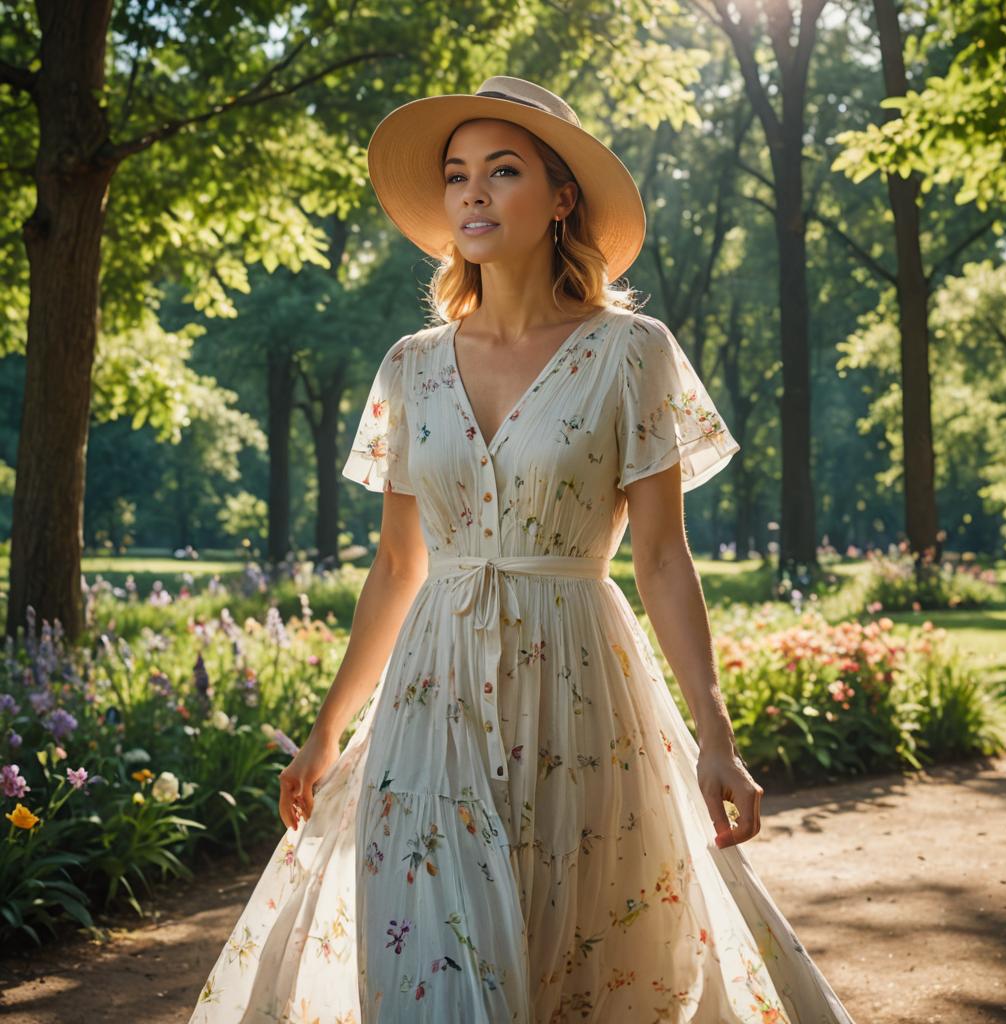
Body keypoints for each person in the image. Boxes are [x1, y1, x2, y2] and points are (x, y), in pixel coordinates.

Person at [188, 76, 855, 1023]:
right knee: (435, 965)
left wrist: (716, 736)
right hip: (433, 698)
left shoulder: (634, 353)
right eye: (458, 175)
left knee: (576, 968)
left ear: (562, 196)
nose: (473, 193)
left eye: (502, 171)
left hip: (584, 698)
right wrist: (328, 728)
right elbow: (395, 567)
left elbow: (663, 559)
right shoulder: (410, 368)